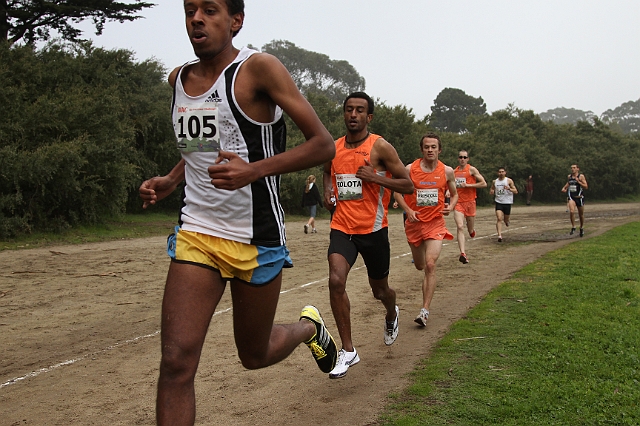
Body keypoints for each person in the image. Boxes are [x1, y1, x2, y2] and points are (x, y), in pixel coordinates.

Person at [138, 1, 338, 424]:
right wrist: (174, 180)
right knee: (176, 362)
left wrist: (255, 171)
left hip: (257, 236)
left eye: (209, 9)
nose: (196, 18)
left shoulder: (259, 69)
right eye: (190, 10)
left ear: (235, 21)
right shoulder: (179, 80)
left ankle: (308, 329)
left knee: (254, 353)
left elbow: (323, 144)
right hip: (198, 231)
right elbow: (203, 142)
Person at [323, 92, 414, 379]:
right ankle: (348, 350)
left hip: (374, 231)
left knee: (380, 291)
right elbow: (327, 171)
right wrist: (327, 191)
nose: (353, 115)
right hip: (342, 227)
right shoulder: (332, 147)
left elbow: (408, 185)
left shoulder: (380, 147)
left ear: (369, 117)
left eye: (359, 110)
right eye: (349, 110)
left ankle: (391, 313)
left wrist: (376, 178)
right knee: (336, 280)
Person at [394, 133, 458, 327]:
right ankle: (424, 306)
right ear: (422, 150)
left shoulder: (446, 171)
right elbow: (397, 192)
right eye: (427, 147)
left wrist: (451, 206)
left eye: (434, 147)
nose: (430, 150)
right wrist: (408, 210)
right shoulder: (409, 169)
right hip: (414, 224)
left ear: (439, 149)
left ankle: (424, 311)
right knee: (420, 265)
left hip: (435, 223)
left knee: (430, 265)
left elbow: (455, 195)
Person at [452, 150, 487, 264]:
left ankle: (472, 230)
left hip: (470, 202)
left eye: (464, 157)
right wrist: (448, 191)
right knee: (460, 226)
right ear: (458, 159)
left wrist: (468, 185)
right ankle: (463, 253)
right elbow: (450, 185)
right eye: (460, 157)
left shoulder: (471, 169)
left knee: (469, 229)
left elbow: (484, 183)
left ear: (468, 159)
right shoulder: (454, 172)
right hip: (458, 202)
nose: (462, 159)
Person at [489, 167, 518, 242]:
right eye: (499, 172)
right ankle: (499, 235)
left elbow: (515, 191)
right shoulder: (495, 181)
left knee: (505, 219)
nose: (501, 173)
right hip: (498, 202)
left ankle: (507, 221)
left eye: (502, 172)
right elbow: (492, 188)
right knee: (499, 218)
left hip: (507, 202)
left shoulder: (508, 181)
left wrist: (509, 189)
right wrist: (492, 191)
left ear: (505, 173)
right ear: (497, 173)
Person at [561, 164, 588, 237]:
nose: (572, 169)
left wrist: (579, 182)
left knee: (581, 214)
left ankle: (581, 228)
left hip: (579, 197)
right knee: (572, 211)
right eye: (571, 168)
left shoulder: (581, 176)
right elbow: (569, 183)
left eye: (574, 168)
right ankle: (573, 226)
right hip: (571, 197)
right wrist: (564, 188)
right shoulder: (569, 176)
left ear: (577, 169)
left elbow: (586, 186)